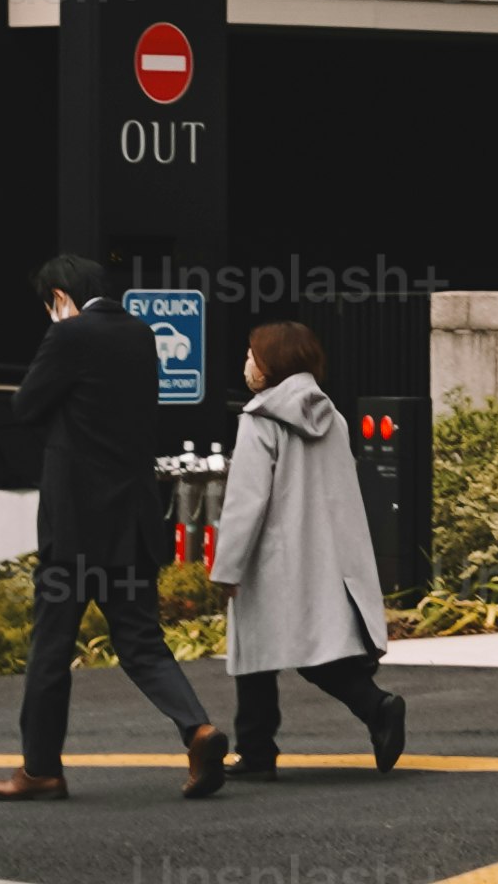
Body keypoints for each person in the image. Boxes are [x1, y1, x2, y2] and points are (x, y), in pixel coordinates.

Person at [0, 255, 222, 802]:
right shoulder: (141, 335)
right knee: (142, 643)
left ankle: (41, 770)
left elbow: (25, 405)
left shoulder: (69, 336)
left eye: (49, 305)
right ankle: (197, 729)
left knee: (50, 649)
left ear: (59, 297)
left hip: (75, 530)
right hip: (133, 523)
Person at [208, 320, 406, 778]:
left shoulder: (259, 419)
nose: (247, 364)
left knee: (258, 654)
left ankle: (261, 750)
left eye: (251, 355)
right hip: (323, 556)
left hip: (271, 559)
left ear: (270, 364)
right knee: (313, 650)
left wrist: (227, 566)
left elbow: (246, 500)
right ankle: (372, 707)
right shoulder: (330, 415)